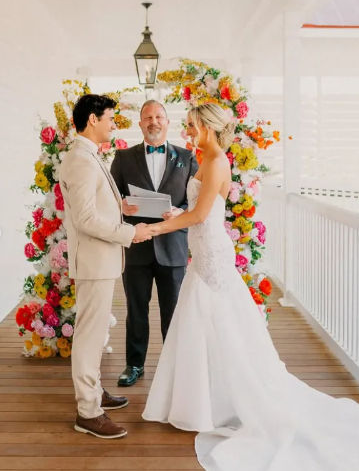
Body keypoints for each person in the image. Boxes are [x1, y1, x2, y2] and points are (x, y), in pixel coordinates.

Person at [142, 103, 359, 470]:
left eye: (192, 126)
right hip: (204, 249)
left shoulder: (216, 162)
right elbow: (200, 211)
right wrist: (176, 214)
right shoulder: (206, 158)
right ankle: (203, 401)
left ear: (208, 127)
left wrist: (155, 228)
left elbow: (200, 214)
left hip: (212, 255)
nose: (187, 132)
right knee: (199, 326)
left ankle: (227, 401)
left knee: (223, 326)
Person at [59, 94, 151, 439]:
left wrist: (122, 207)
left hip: (102, 260)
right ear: (93, 119)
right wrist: (130, 232)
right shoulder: (80, 160)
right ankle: (88, 411)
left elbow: (95, 206)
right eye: (111, 118)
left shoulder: (88, 156)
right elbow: (84, 219)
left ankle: (95, 392)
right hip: (95, 261)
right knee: (89, 335)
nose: (114, 124)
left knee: (96, 333)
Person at [110, 100, 198, 387]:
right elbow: (110, 200)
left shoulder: (187, 157)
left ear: (168, 122)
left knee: (173, 310)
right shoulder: (123, 158)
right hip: (135, 245)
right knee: (136, 309)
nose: (154, 121)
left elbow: (195, 201)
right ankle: (134, 365)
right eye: (147, 117)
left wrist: (181, 211)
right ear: (140, 123)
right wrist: (121, 206)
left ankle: (175, 366)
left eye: (159, 116)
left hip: (172, 246)